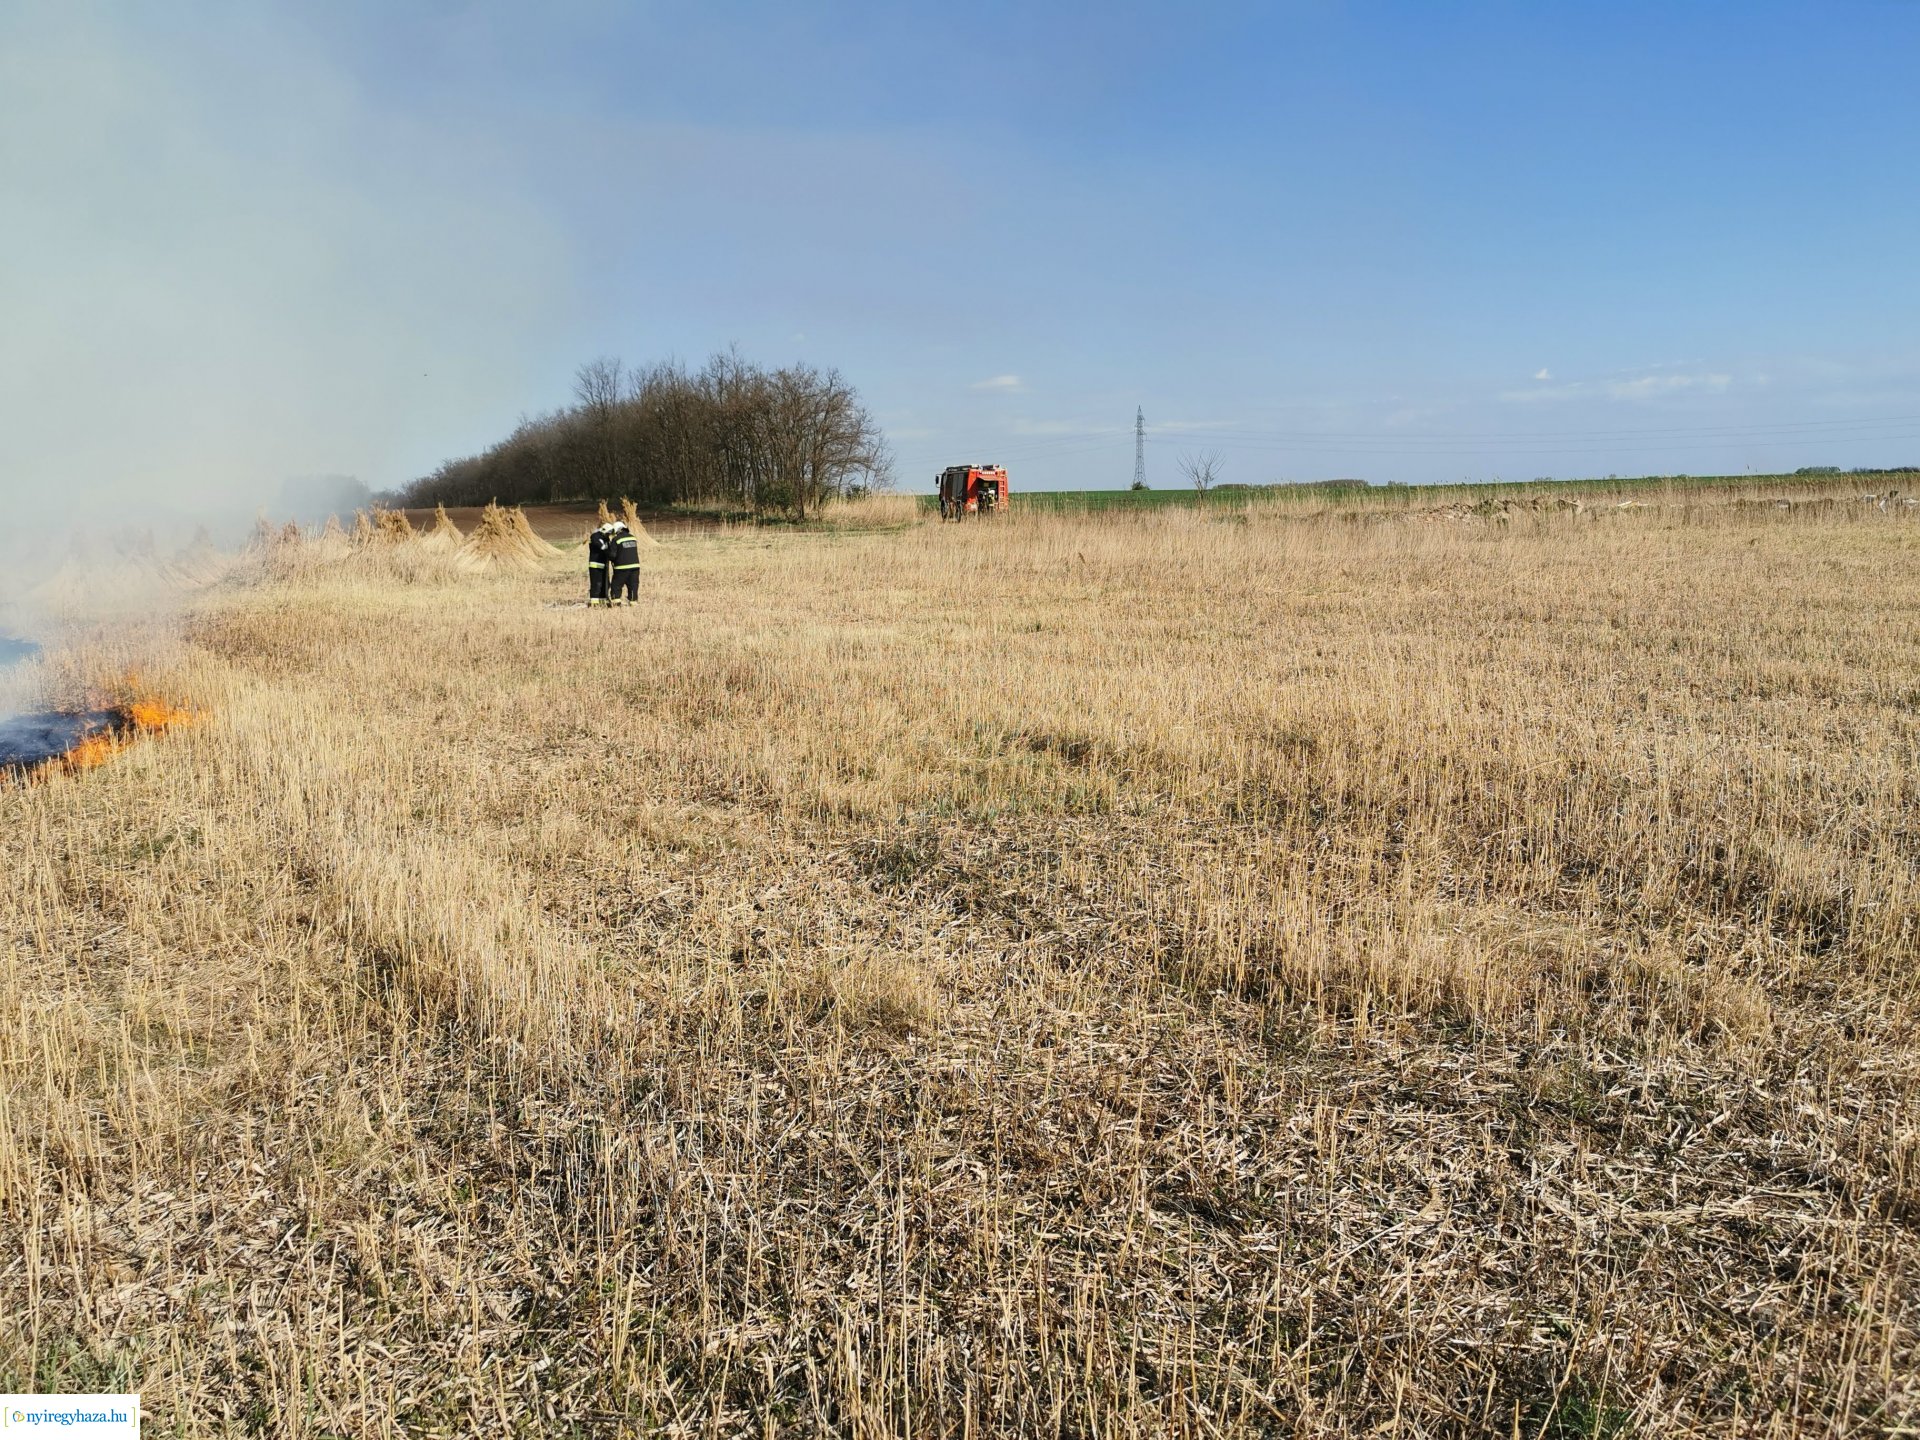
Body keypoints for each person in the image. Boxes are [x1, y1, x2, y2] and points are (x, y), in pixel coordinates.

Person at [609, 521, 641, 605]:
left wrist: (608, 556)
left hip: (621, 567)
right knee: (633, 585)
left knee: (616, 585)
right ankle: (633, 602)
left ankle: (616, 602)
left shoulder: (616, 539)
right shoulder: (633, 538)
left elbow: (612, 555)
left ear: (616, 530)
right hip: (635, 566)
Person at [585, 523, 612, 606]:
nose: (608, 535)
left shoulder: (605, 538)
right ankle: (594, 602)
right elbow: (601, 546)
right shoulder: (595, 536)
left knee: (605, 583)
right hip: (596, 564)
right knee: (596, 583)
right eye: (608, 533)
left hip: (604, 564)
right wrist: (608, 547)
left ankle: (603, 600)